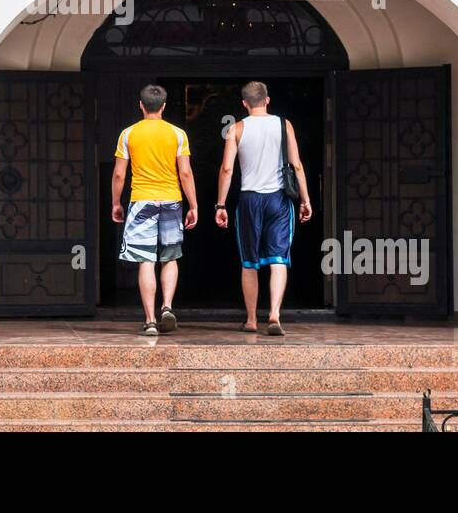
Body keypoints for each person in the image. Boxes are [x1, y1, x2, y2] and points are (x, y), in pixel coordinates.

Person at [215, 81, 312, 335]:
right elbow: (297, 165)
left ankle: (251, 320)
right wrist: (306, 200)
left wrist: (220, 204)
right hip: (278, 199)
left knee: (249, 261)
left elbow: (227, 169)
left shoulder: (236, 129)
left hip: (249, 200)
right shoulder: (284, 124)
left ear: (244, 103)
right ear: (267, 100)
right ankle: (274, 314)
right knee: (279, 258)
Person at [112, 84, 199, 335]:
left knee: (146, 261)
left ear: (141, 105)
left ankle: (150, 320)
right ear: (163, 106)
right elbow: (185, 172)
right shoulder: (178, 134)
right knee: (170, 257)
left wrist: (116, 202)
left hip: (141, 201)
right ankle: (167, 306)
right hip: (172, 200)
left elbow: (119, 174)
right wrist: (193, 204)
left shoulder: (128, 134)